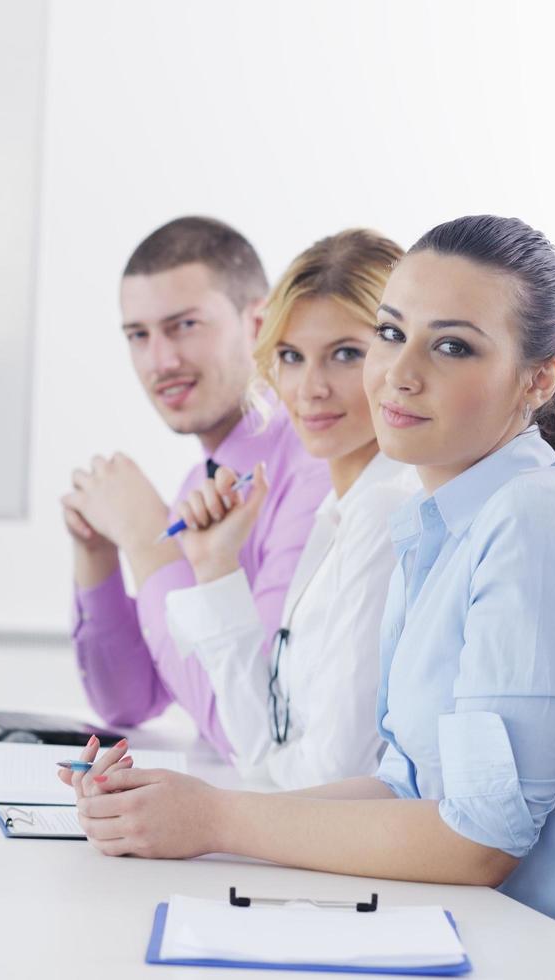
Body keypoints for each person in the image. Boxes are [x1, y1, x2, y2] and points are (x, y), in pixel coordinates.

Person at [61, 215, 555, 958]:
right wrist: (183, 811)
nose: (400, 373)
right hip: (496, 936)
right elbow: (404, 786)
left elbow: (480, 842)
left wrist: (215, 822)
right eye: (393, 334)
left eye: (453, 346)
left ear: (538, 379)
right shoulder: (438, 522)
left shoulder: (533, 522)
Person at [62, 217, 331, 755]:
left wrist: (147, 542)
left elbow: (251, 729)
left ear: (259, 323)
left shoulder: (316, 465)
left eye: (184, 326)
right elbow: (129, 702)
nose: (160, 361)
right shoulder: (198, 484)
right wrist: (98, 555)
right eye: (139, 335)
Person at [164, 229, 419, 787]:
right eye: (290, 357)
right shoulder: (340, 512)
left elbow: (328, 780)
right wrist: (216, 567)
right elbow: (258, 747)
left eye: (345, 355)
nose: (310, 388)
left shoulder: (388, 511)